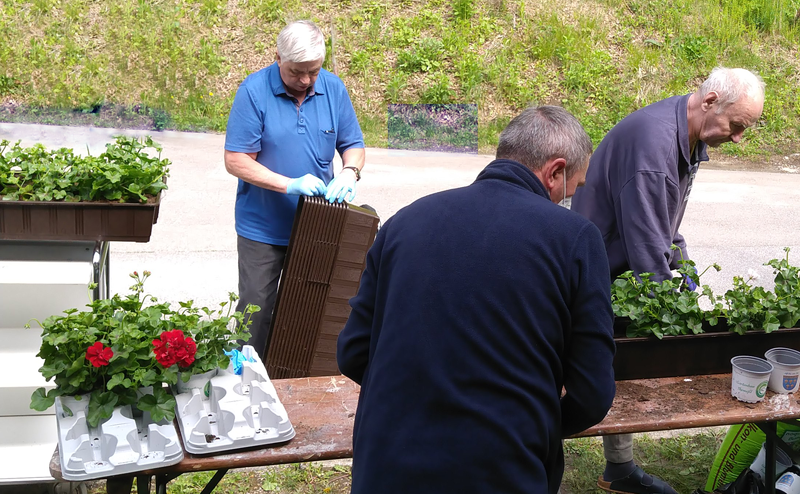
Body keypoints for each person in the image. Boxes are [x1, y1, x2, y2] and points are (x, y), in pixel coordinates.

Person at [337, 105, 616, 494]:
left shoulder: (405, 221)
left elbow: (352, 352)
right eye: (575, 187)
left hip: (386, 466)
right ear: (555, 172)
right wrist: (536, 428)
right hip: (503, 471)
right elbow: (593, 393)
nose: (572, 199)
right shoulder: (575, 239)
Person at [571, 67, 765, 494]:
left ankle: (619, 468)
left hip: (618, 261)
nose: (737, 139)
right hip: (598, 267)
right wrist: (675, 310)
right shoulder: (654, 147)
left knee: (611, 364)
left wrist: (689, 271)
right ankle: (541, 455)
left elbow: (664, 223)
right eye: (736, 126)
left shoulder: (683, 132)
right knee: (592, 365)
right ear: (711, 101)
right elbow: (645, 247)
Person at [224, 20, 366, 360]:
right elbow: (236, 160)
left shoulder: (333, 89)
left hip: (317, 226)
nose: (305, 81)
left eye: (313, 72)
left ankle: (294, 376)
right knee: (256, 310)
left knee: (311, 311)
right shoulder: (254, 92)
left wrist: (349, 171)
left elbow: (354, 144)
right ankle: (245, 379)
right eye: (296, 72)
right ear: (278, 58)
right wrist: (288, 184)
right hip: (263, 228)